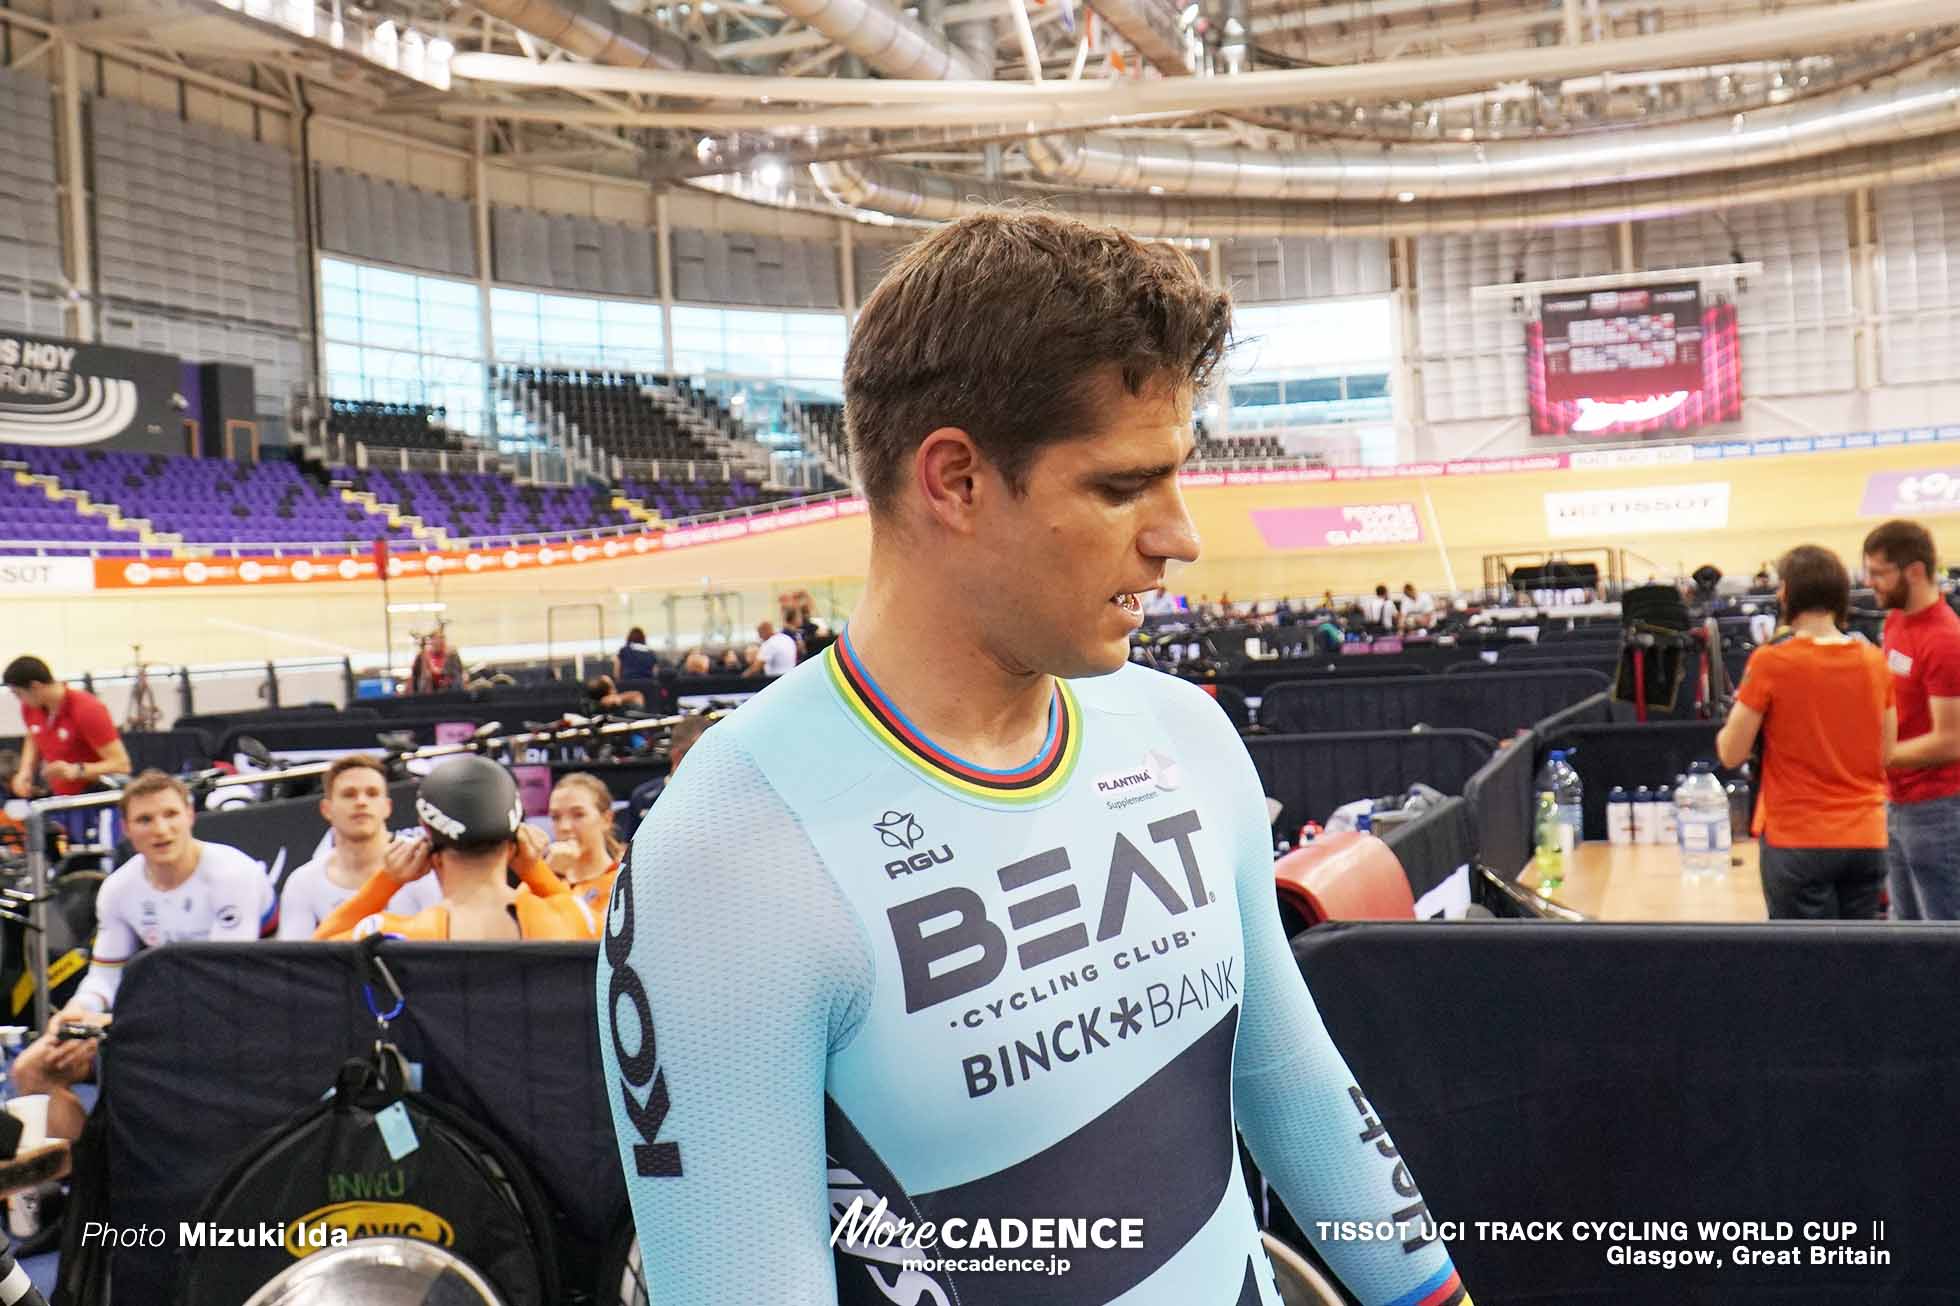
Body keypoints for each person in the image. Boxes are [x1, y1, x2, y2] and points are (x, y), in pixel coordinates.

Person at [599, 209, 1469, 1306]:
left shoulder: (1186, 737)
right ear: (954, 481)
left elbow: (1292, 1082)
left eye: (1176, 476)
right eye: (1120, 486)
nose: (1179, 535)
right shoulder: (724, 855)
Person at [14, 771, 273, 1139]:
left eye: (170, 815)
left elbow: (220, 983)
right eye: (145, 820)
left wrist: (114, 1025)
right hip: (162, 1021)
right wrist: (77, 1013)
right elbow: (106, 974)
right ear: (127, 829)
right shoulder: (119, 888)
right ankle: (82, 1178)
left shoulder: (233, 873)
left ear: (190, 816)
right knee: (32, 1069)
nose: (160, 830)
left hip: (243, 1015)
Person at [1716, 546, 1895, 919]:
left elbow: (1731, 753)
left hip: (1797, 839)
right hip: (1867, 837)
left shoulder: (1771, 662)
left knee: (1805, 970)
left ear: (1785, 594)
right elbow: (1887, 753)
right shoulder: (1874, 662)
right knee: (1859, 967)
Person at [314, 754, 595, 941]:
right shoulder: (567, 921)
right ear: (514, 846)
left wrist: (386, 881)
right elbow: (594, 932)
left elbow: (314, 953)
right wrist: (534, 871)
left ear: (427, 846)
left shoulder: (398, 936)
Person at [1864, 519, 1960, 920]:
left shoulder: (1945, 641)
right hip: (1898, 805)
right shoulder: (1895, 621)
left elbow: (1950, 741)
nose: (1871, 583)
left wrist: (1875, 756)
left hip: (1939, 811)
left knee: (1943, 942)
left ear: (1915, 571)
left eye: (1879, 573)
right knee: (1906, 942)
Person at [276, 754, 440, 939]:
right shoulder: (302, 882)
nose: (361, 802)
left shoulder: (422, 865)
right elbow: (296, 960)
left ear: (387, 807)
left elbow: (444, 945)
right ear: (326, 809)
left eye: (372, 793)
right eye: (349, 794)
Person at [5, 656, 131, 799]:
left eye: (18, 694)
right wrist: (25, 770)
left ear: (35, 687)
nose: (19, 700)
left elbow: (122, 764)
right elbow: (33, 734)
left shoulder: (87, 710)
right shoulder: (30, 708)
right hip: (61, 798)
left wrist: (77, 770)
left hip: (92, 797)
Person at [545, 771, 625, 918]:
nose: (564, 827)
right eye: (556, 817)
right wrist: (549, 875)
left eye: (578, 815)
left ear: (606, 819)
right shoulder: (545, 877)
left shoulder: (623, 883)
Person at [409, 627, 463, 694]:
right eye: (437, 639)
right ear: (431, 641)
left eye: (442, 638)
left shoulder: (452, 656)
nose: (440, 642)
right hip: (427, 695)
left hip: (450, 693)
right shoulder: (422, 656)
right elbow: (414, 678)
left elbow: (458, 675)